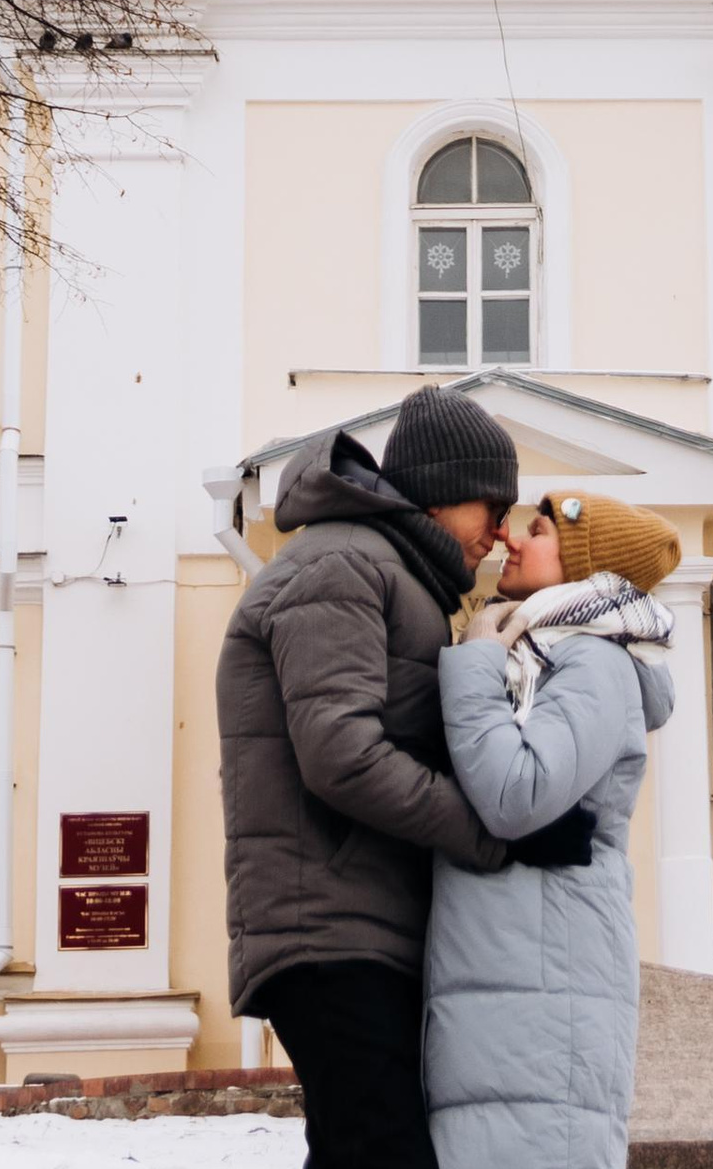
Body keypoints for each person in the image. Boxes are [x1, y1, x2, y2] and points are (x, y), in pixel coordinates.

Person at [217, 386, 582, 1169]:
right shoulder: (342, 563)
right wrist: (496, 836)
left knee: (365, 1149)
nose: (501, 534)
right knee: (381, 1151)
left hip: (360, 925)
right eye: (493, 506)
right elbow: (342, 757)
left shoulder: (396, 575)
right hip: (327, 932)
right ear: (444, 491)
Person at [423, 489, 683, 1169]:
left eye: (535, 532)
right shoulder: (541, 654)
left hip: (544, 990)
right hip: (512, 978)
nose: (511, 541)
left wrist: (475, 657)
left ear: (582, 562)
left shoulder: (595, 661)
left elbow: (516, 792)